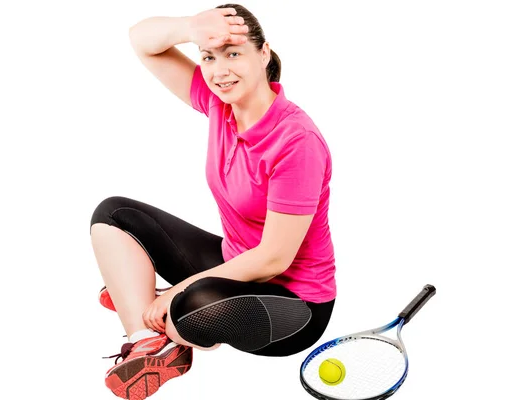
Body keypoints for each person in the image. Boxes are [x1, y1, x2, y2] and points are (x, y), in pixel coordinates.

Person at [89, 4, 337, 399]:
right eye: (209, 57)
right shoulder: (219, 105)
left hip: (295, 306)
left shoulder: (296, 141)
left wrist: (174, 291)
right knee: (114, 214)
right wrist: (190, 28)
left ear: (264, 53)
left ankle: (148, 300)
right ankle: (150, 343)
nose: (220, 71)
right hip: (232, 262)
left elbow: (274, 259)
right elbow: (142, 40)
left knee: (193, 305)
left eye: (233, 54)